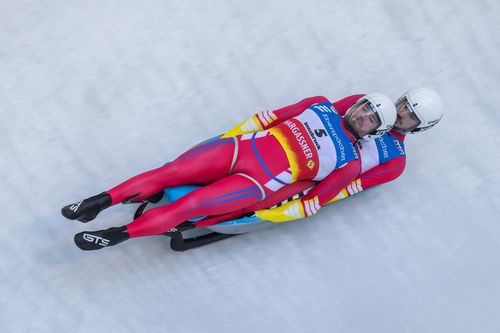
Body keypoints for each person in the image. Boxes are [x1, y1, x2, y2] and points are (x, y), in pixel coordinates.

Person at [62, 93, 397, 250]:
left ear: (375, 132)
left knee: (189, 206)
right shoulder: (320, 105)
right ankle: (97, 202)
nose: (362, 115)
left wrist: (269, 215)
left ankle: (119, 235)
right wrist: (228, 137)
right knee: (170, 172)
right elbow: (267, 118)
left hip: (256, 183)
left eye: (370, 118)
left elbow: (312, 202)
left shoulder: (349, 163)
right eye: (364, 107)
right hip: (241, 149)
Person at [239, 87, 444, 223]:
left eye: (412, 117)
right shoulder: (367, 104)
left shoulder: (396, 161)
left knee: (258, 196)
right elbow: (320, 114)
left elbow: (347, 188)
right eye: (405, 106)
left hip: (313, 177)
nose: (402, 114)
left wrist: (306, 203)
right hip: (297, 146)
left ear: (419, 128)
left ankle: (242, 209)